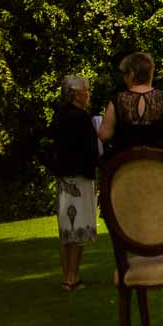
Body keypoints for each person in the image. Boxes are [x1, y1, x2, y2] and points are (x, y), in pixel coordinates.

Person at [50, 76, 98, 291]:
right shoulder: (81, 117)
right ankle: (73, 277)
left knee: (66, 231)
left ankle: (66, 276)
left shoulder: (59, 116)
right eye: (86, 90)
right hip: (80, 178)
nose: (88, 94)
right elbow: (90, 150)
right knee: (78, 230)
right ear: (77, 94)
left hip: (63, 177)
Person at [98, 52, 163, 155]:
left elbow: (104, 135)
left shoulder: (117, 99)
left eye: (125, 73)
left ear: (131, 74)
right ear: (150, 73)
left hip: (125, 161)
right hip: (158, 160)